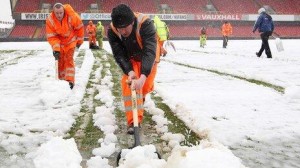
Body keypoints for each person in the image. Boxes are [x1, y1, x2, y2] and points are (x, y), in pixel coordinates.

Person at [107, 4, 160, 134]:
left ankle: (140, 98)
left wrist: (143, 76)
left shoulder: (145, 24)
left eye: (125, 28)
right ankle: (133, 122)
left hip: (148, 57)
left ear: (132, 22)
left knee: (144, 86)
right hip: (130, 58)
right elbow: (119, 53)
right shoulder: (112, 30)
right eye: (120, 29)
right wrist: (130, 71)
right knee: (129, 86)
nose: (123, 32)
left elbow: (149, 51)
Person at [46, 3, 84, 89]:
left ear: (64, 11)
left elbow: (80, 28)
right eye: (57, 13)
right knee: (60, 61)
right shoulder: (50, 20)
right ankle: (61, 80)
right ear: (53, 12)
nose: (59, 15)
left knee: (68, 60)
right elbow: (52, 36)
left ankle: (70, 81)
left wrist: (79, 41)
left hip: (71, 41)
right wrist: (56, 49)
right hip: (59, 43)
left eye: (61, 13)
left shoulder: (72, 16)